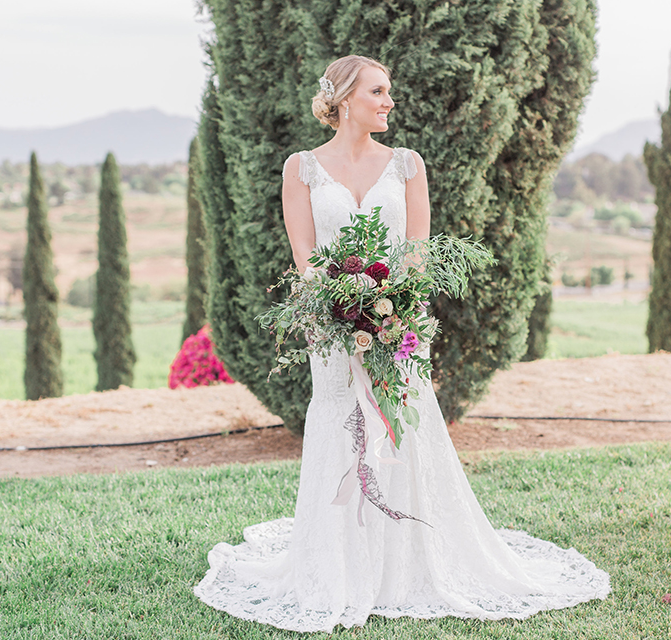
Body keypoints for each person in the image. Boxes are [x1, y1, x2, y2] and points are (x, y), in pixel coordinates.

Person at [194, 54, 610, 634]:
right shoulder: (302, 169)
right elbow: (306, 257)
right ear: (343, 98)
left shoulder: (408, 166)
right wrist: (341, 310)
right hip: (331, 329)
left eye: (390, 93)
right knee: (340, 421)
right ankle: (339, 563)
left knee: (403, 423)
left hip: (397, 324)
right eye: (379, 92)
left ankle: (408, 559)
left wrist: (390, 309)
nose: (390, 102)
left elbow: (416, 251)